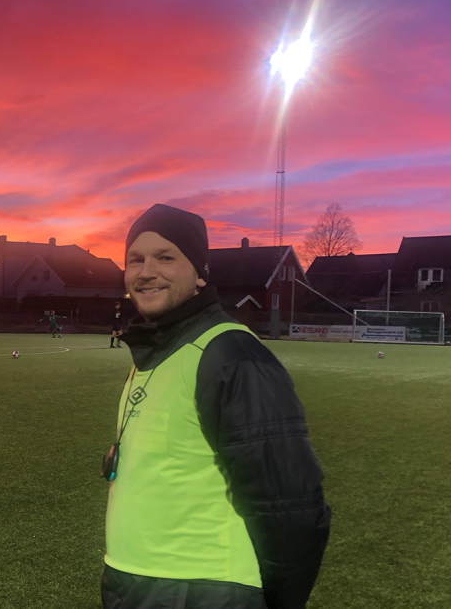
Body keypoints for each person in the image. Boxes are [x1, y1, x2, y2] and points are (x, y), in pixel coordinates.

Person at [101, 204, 330, 609]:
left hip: (203, 591)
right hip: (134, 582)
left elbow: (290, 503)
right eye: (135, 260)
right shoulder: (155, 353)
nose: (146, 271)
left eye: (166, 257)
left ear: (200, 273)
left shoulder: (231, 353)